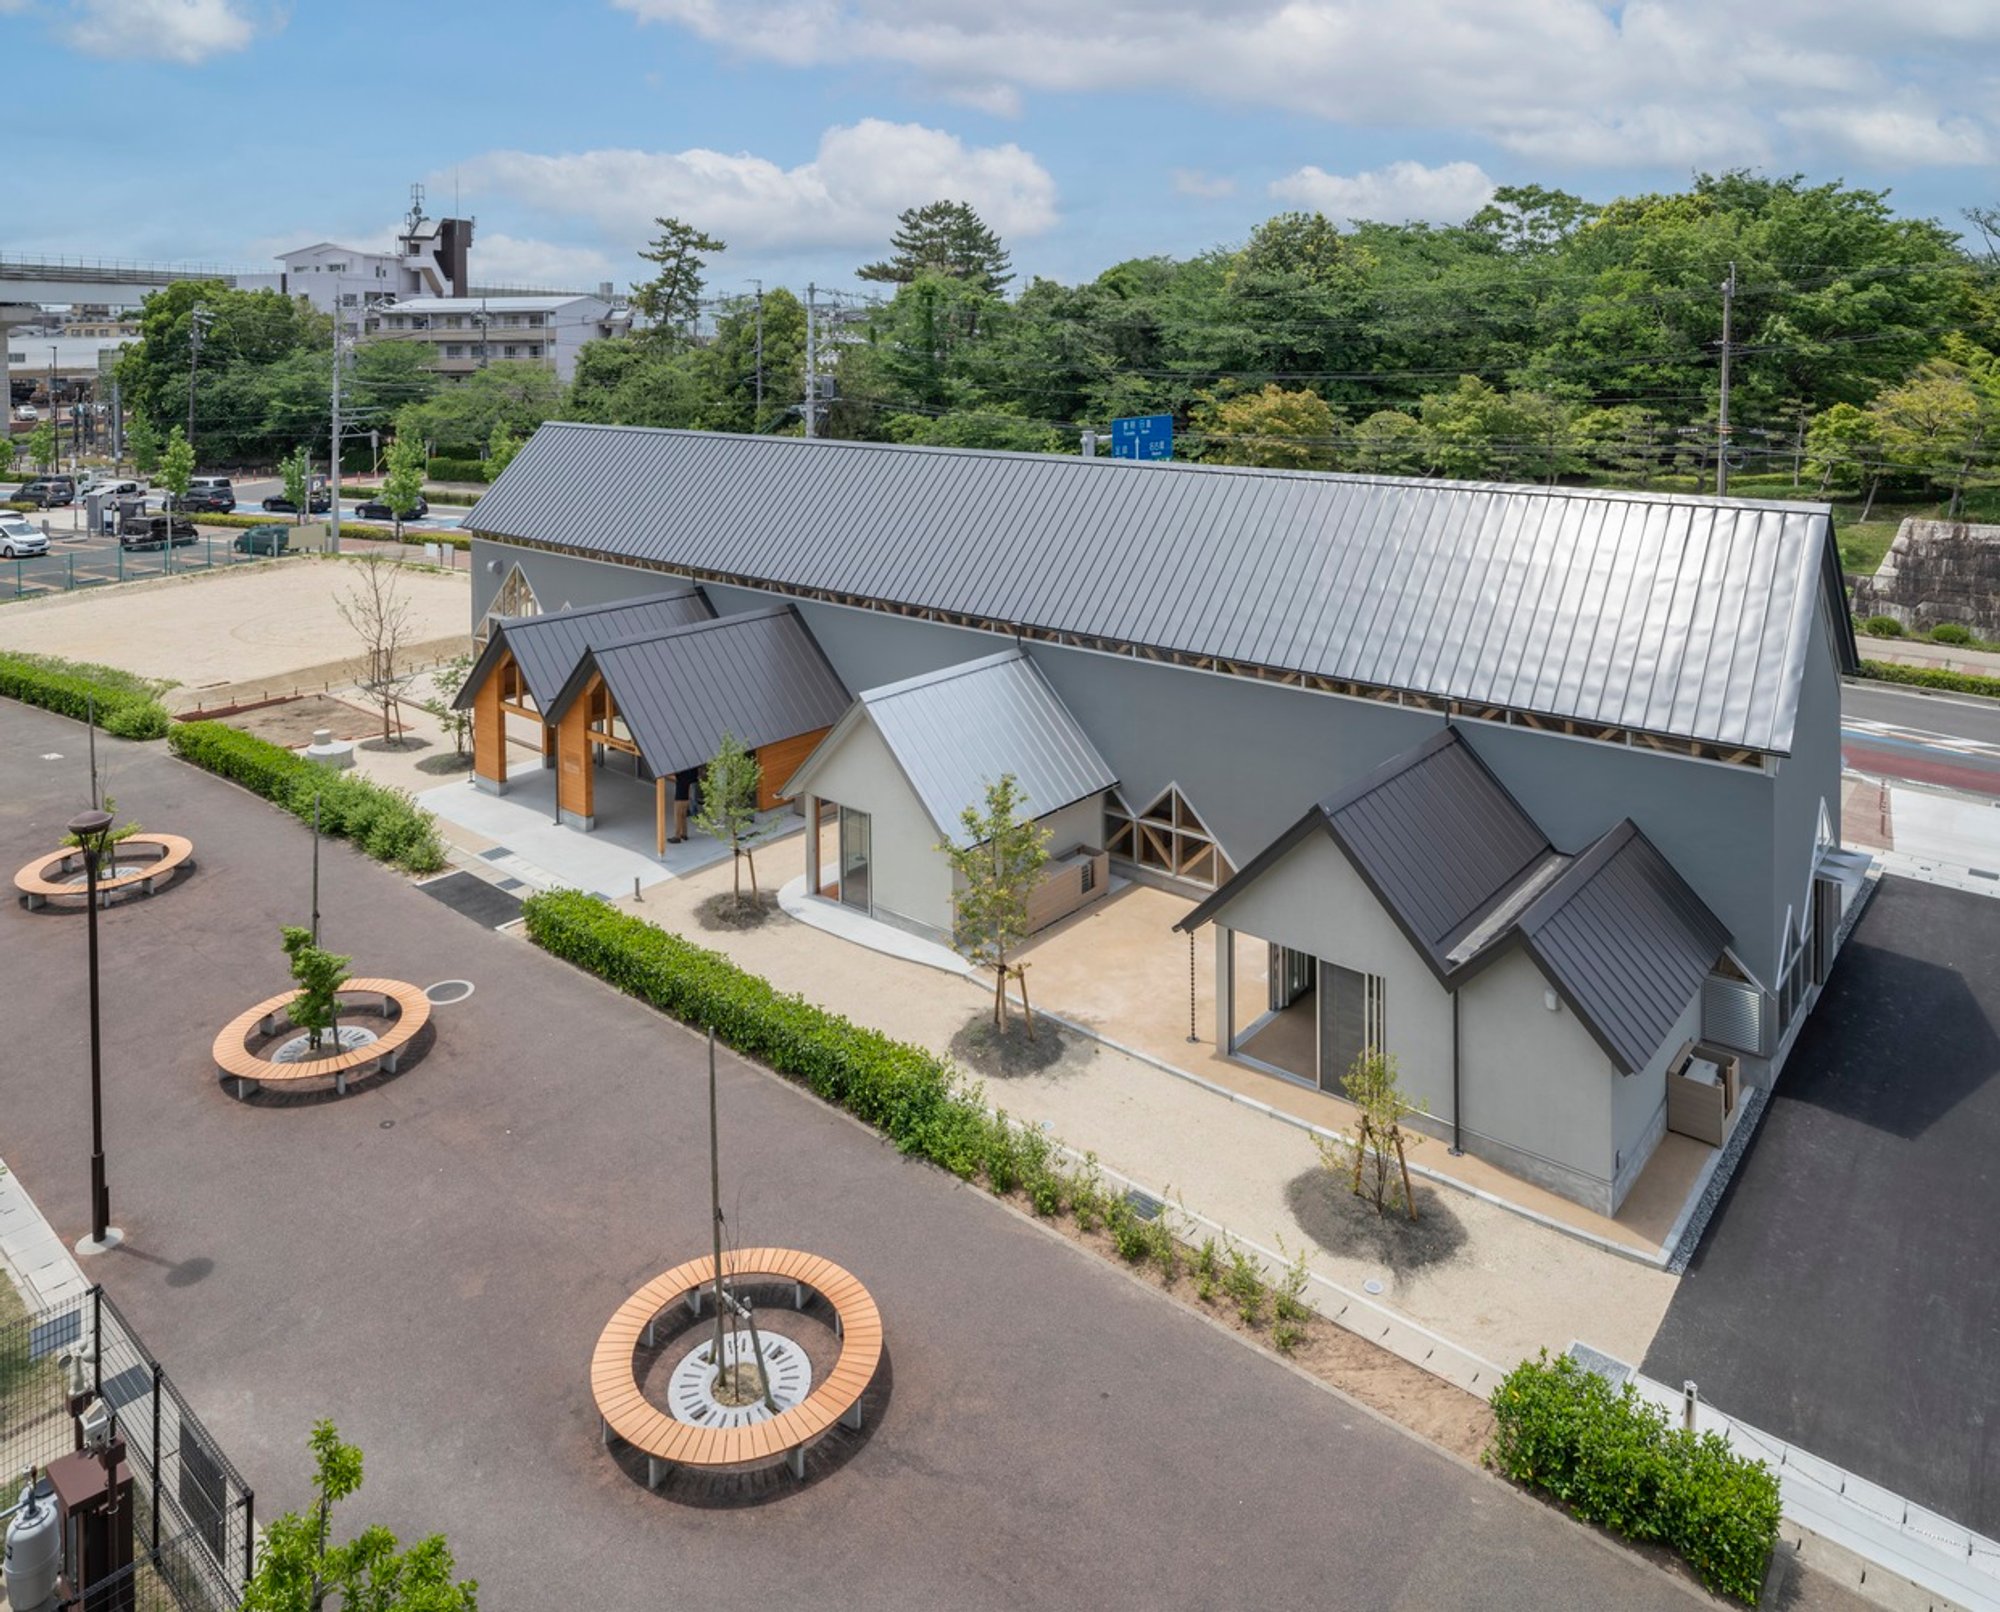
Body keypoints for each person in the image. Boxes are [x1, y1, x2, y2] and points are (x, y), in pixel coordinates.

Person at [669, 766, 698, 843]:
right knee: (683, 815)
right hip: (686, 796)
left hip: (680, 795)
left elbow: (674, 775)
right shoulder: (693, 770)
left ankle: (677, 836)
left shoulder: (682, 771)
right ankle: (684, 834)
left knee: (678, 815)